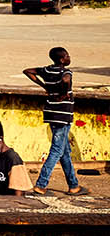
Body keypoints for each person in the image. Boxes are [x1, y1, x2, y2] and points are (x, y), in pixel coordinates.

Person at [25, 46, 86, 195]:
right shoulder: (64, 71)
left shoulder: (47, 70)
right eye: (67, 56)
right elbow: (66, 79)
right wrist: (64, 92)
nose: (69, 58)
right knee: (57, 150)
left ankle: (73, 185)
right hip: (63, 114)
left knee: (65, 151)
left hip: (51, 113)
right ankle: (41, 184)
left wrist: (44, 85)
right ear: (62, 59)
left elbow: (28, 71)